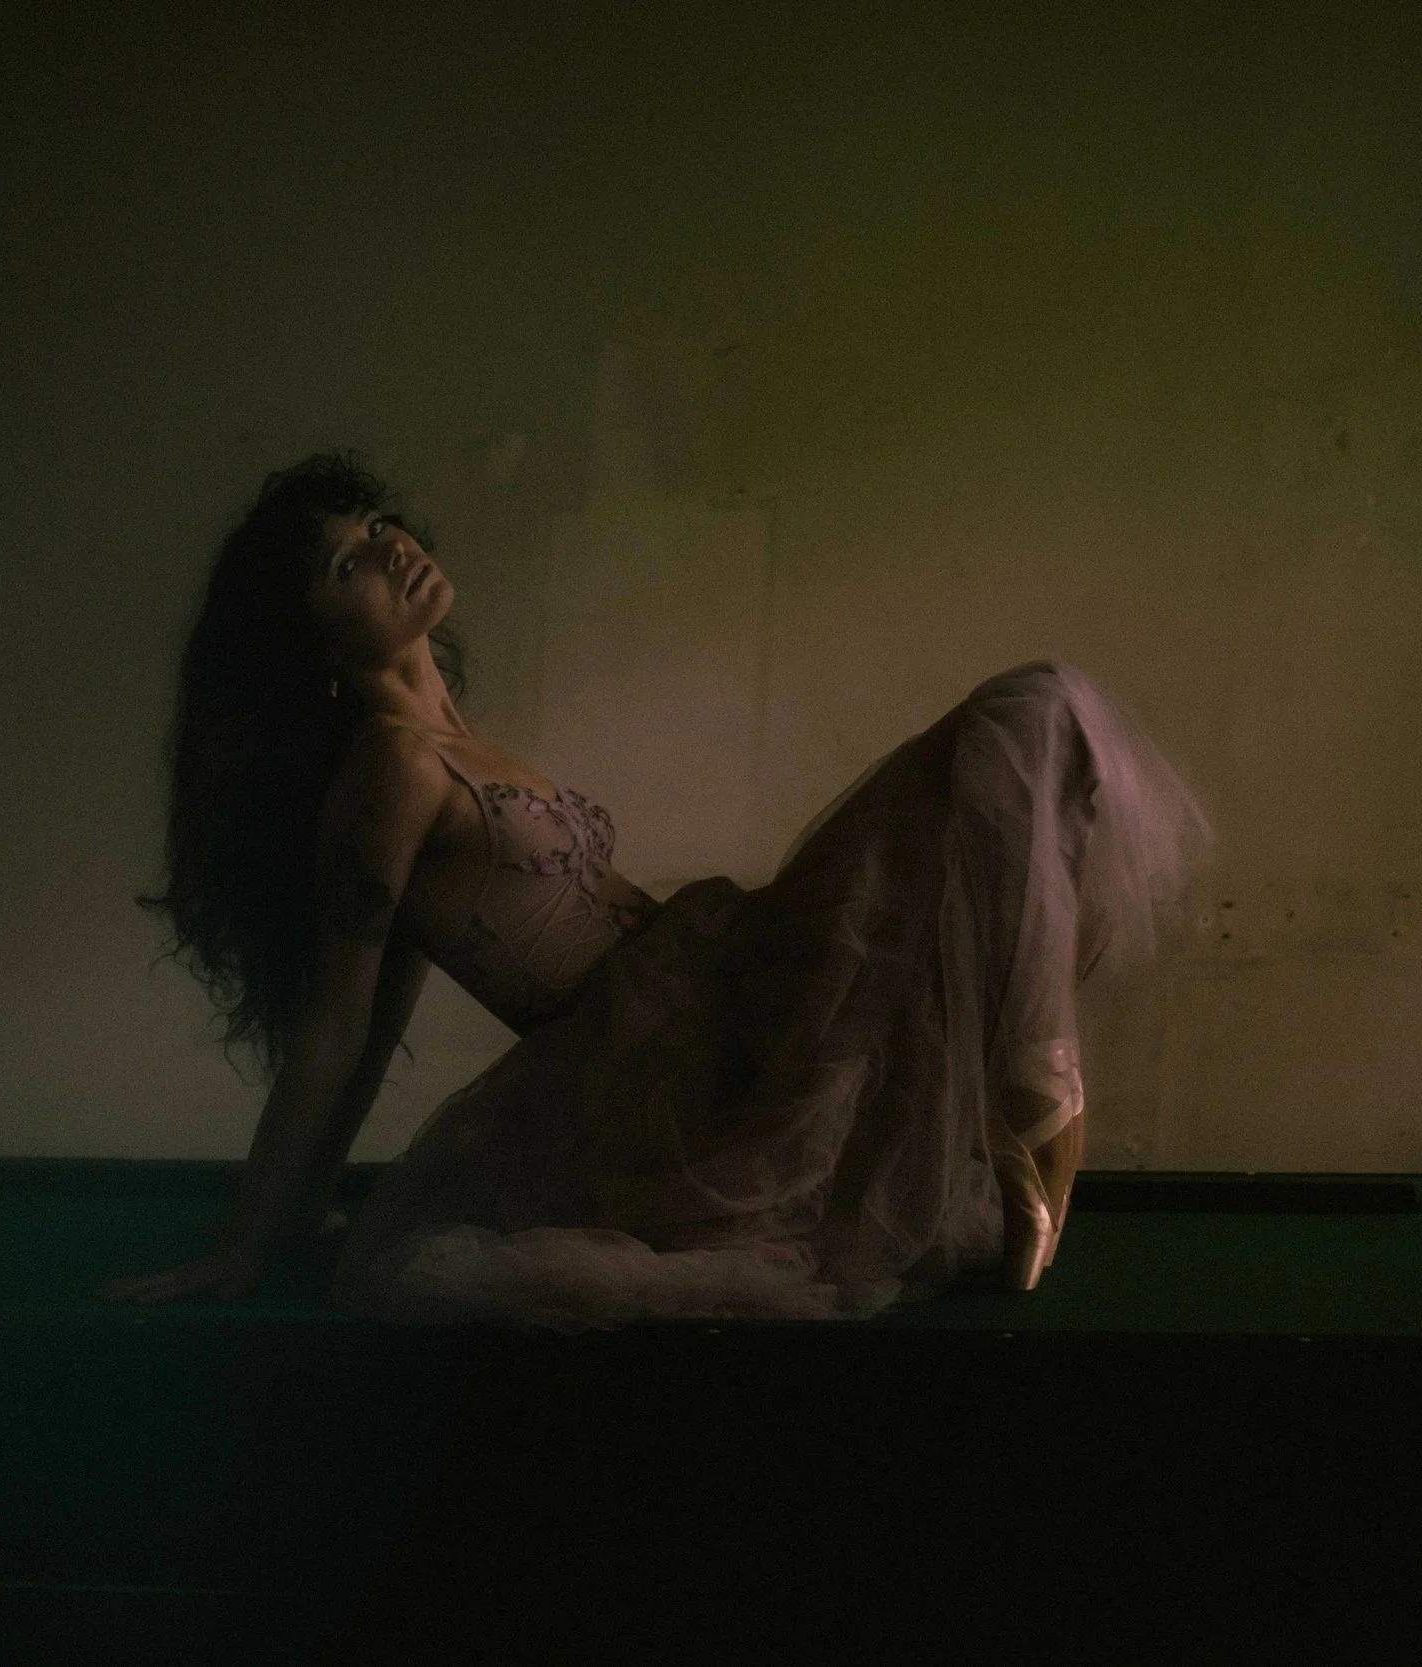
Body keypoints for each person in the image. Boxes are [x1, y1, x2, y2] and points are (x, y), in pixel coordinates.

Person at [101, 452, 1209, 1328]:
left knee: (1036, 731)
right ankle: (1031, 1084)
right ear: (317, 652)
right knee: (1029, 715)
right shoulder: (388, 769)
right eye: (346, 565)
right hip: (665, 1063)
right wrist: (257, 1234)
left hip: (720, 977)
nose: (389, 552)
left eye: (378, 528)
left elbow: (382, 1000)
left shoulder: (453, 744)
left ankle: (1026, 1082)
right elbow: (340, 1025)